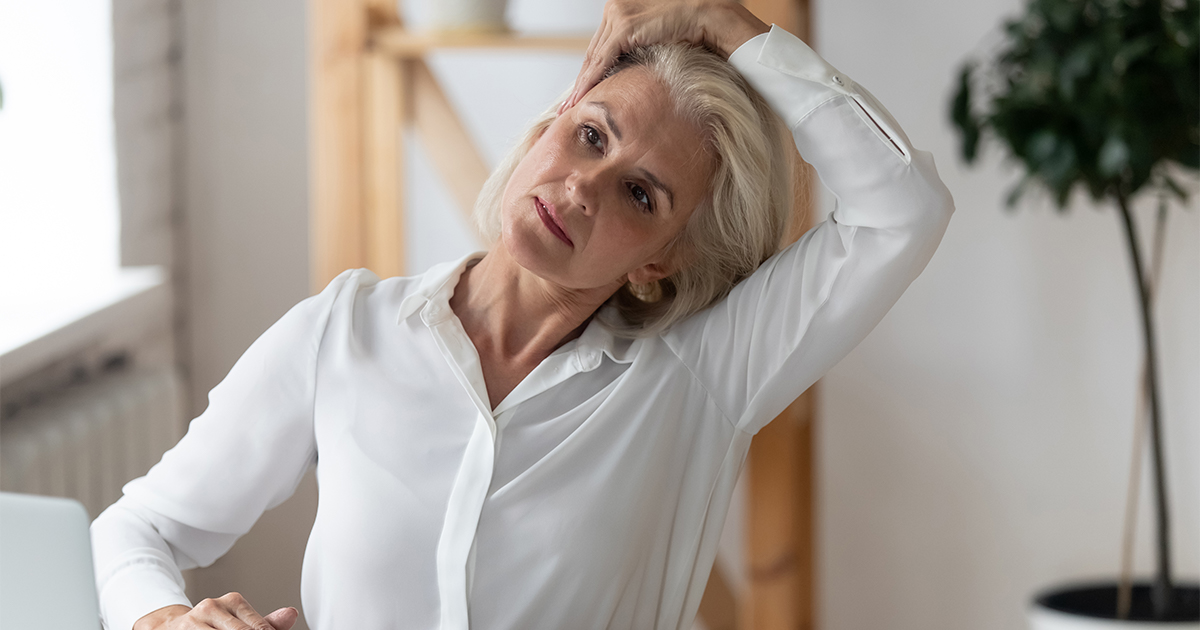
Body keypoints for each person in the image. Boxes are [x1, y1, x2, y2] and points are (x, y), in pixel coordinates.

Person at [91, 1, 954, 628]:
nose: (581, 188)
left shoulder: (702, 379)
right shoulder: (344, 333)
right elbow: (139, 527)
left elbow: (902, 211)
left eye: (640, 194)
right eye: (591, 134)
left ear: (662, 258)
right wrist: (165, 619)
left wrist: (729, 26)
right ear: (551, 123)